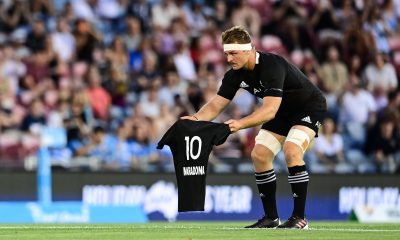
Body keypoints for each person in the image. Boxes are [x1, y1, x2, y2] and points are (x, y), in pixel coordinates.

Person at [181, 26, 327, 229]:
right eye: (226, 54)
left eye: (233, 53)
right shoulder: (234, 75)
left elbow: (269, 111)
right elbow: (216, 105)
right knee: (259, 155)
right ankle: (271, 218)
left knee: (292, 150)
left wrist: (239, 124)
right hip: (281, 110)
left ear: (249, 50)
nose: (229, 59)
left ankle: (299, 218)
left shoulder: (272, 65)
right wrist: (194, 119)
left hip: (308, 106)